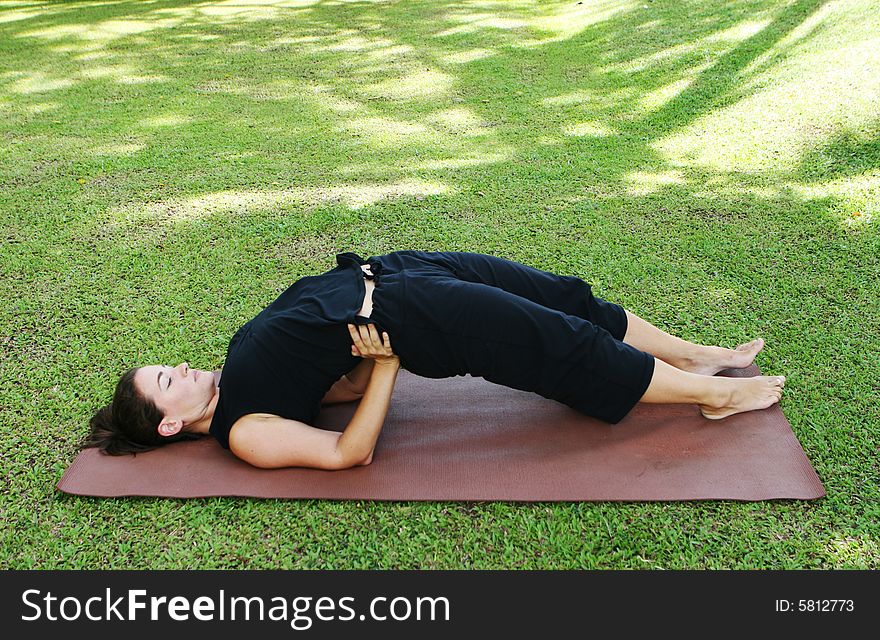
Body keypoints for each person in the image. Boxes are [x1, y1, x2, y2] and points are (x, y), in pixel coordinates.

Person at [82, 250, 785, 470]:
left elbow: (334, 386)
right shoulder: (244, 432)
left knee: (562, 296)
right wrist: (389, 368)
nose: (181, 370)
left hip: (399, 274)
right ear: (169, 424)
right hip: (418, 318)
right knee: (557, 343)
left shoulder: (242, 379)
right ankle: (709, 393)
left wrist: (360, 372)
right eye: (167, 381)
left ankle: (703, 354)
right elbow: (347, 453)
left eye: (168, 365)